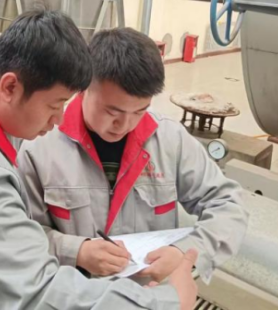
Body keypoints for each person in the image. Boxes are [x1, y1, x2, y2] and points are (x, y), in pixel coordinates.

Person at [0, 10, 198, 310]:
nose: (58, 120)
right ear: (10, 87)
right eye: (54, 105)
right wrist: (168, 302)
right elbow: (36, 294)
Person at [18, 27, 248, 284]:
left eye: (139, 111)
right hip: (75, 295)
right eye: (112, 112)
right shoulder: (40, 148)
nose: (124, 125)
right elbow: (19, 234)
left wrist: (185, 253)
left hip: (147, 296)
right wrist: (76, 251)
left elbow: (229, 205)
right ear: (83, 88)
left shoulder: (170, 141)